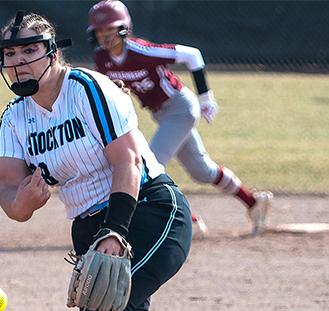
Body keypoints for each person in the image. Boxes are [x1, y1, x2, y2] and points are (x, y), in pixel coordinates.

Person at [0, 11, 220, 311]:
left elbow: (127, 162)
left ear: (53, 53)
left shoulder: (87, 88)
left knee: (106, 305)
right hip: (86, 223)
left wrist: (116, 232)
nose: (20, 62)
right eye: (11, 53)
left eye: (29, 50)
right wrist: (22, 201)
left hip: (147, 209)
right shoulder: (14, 118)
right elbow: (9, 194)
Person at [87, 0, 273, 237]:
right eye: (100, 30)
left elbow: (192, 55)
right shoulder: (101, 59)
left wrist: (206, 97)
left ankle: (189, 221)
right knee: (202, 170)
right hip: (161, 114)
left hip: (180, 107)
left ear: (124, 28)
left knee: (149, 165)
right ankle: (254, 202)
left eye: (110, 29)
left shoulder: (141, 51)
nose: (105, 35)